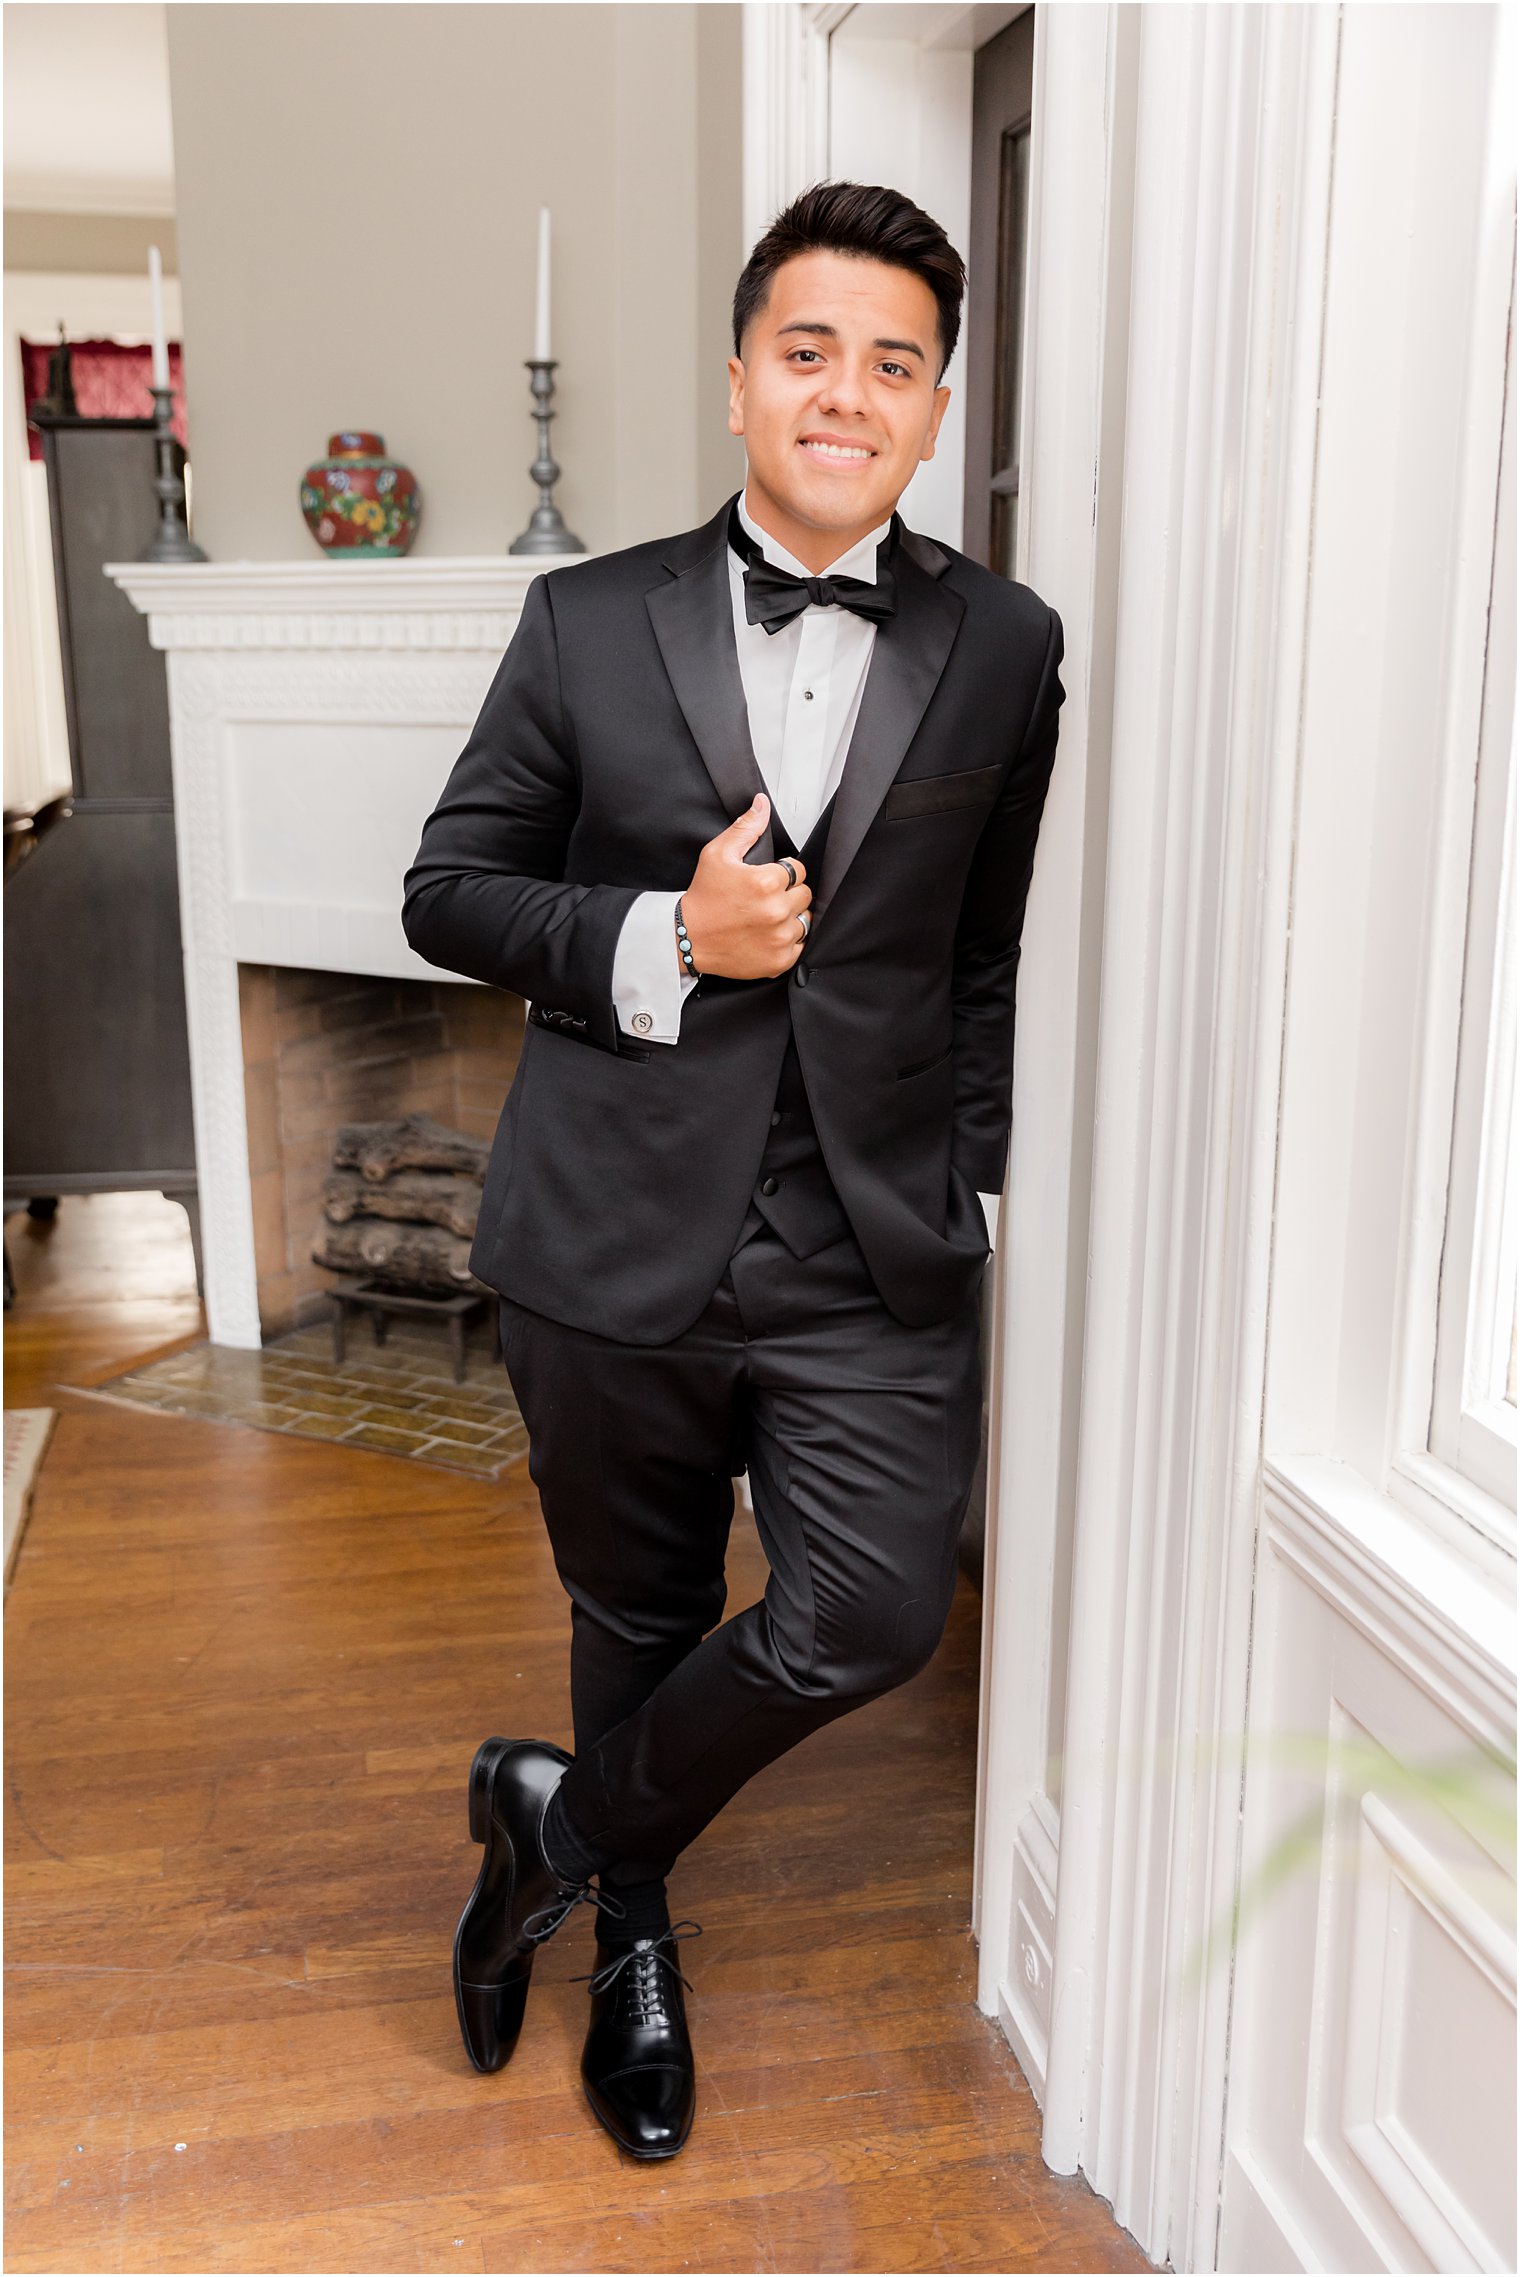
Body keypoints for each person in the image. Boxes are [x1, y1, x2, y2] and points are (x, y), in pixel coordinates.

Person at [401, 179, 1066, 2162]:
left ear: (935, 408)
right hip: (611, 1221)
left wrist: (972, 1182)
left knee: (867, 1608)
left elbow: (980, 949)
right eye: (809, 351)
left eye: (894, 363)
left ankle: (563, 1821)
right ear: (735, 381)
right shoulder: (582, 619)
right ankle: (633, 1930)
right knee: (640, 1602)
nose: (847, 392)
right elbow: (448, 888)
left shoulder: (1008, 641)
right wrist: (668, 936)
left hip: (871, 1239)